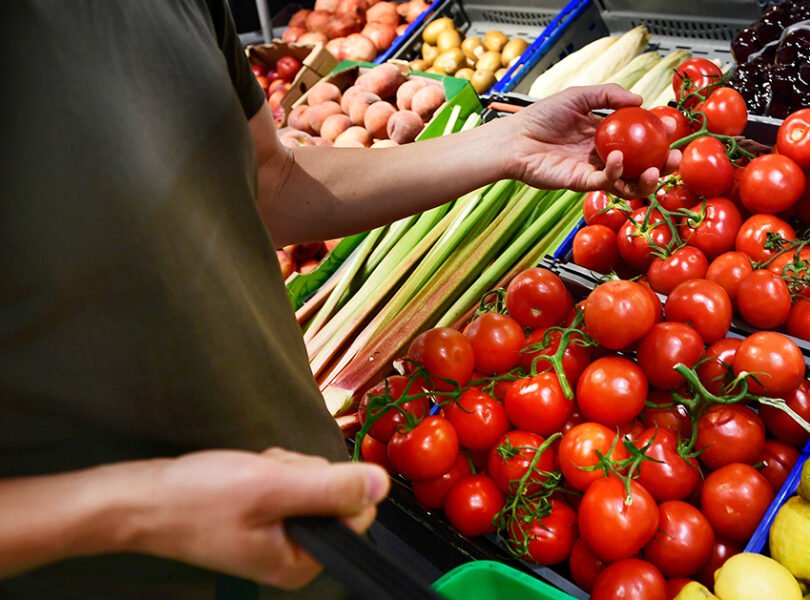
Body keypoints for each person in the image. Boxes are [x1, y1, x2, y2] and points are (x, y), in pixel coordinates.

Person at [0, 1, 676, 598]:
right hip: (107, 575)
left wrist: (505, 141)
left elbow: (272, 180)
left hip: (312, 510)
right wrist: (131, 511)